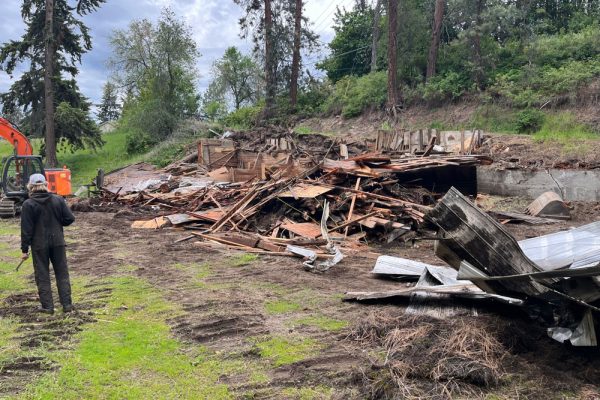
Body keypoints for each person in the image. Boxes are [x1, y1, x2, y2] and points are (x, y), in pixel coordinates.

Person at [20, 173, 75, 314]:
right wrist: (58, 222)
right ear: (46, 184)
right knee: (62, 273)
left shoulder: (28, 204)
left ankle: (48, 307)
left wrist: (24, 249)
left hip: (39, 245)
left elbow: (26, 229)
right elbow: (69, 218)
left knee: (42, 274)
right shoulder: (58, 200)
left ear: (30, 187)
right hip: (58, 242)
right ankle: (67, 305)